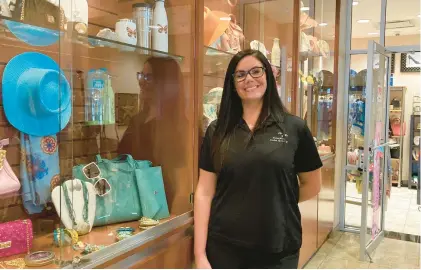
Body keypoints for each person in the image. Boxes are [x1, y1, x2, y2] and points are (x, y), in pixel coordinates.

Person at [194, 49, 322, 269]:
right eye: (241, 74)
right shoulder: (217, 131)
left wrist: (276, 200)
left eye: (256, 71)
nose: (249, 79)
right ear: (232, 82)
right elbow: (205, 192)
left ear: (268, 76)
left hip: (278, 246)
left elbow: (313, 184)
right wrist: (199, 254)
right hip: (225, 247)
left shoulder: (294, 127)